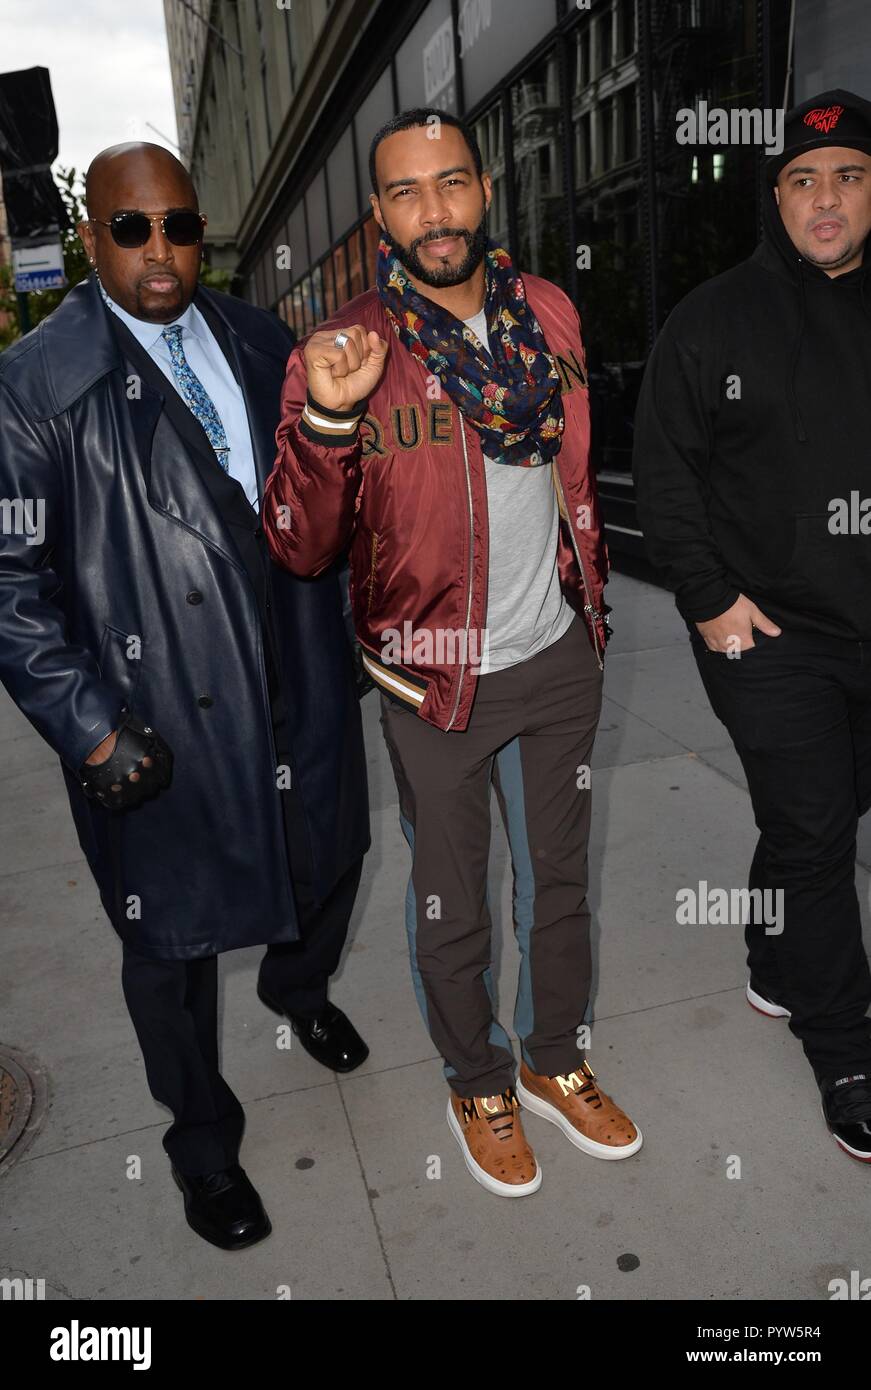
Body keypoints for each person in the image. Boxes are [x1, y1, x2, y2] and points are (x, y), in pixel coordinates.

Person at [263, 108, 641, 1198]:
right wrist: (328, 426)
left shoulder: (551, 313)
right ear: (379, 213)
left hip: (557, 654)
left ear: (486, 189)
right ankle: (475, 1077)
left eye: (452, 183)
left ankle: (552, 1057)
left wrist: (588, 603)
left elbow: (573, 482)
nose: (435, 212)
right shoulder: (346, 348)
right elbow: (295, 545)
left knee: (558, 885)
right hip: (434, 677)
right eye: (406, 192)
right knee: (452, 898)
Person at [0, 143, 370, 1249]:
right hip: (149, 699)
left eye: (179, 227)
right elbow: (9, 580)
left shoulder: (262, 337)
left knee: (333, 854)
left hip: (296, 668)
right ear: (90, 237)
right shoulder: (35, 383)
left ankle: (298, 990)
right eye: (130, 229)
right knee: (169, 949)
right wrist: (86, 724)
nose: (159, 251)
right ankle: (202, 1146)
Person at [633, 90, 871, 1162]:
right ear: (774, 196)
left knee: (818, 812)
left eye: (850, 177)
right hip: (766, 633)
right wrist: (710, 602)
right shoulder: (711, 318)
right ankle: (845, 1045)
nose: (826, 201)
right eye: (803, 181)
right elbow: (669, 477)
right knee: (819, 830)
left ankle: (775, 960)